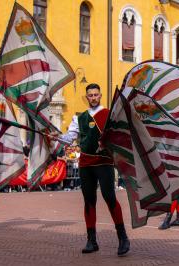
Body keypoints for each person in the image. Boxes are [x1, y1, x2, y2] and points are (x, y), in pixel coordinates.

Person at [54, 83, 130, 256]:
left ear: (100, 95)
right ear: (86, 97)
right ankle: (91, 241)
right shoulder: (79, 118)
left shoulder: (109, 115)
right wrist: (57, 138)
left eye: (96, 94)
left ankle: (123, 237)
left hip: (104, 162)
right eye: (90, 95)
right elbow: (69, 138)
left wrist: (109, 143)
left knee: (109, 197)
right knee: (89, 201)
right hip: (86, 164)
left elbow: (119, 137)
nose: (93, 97)